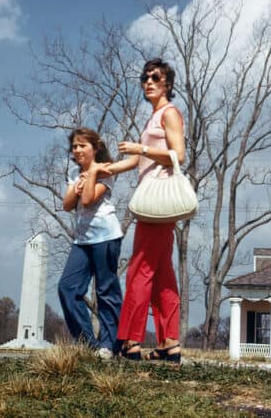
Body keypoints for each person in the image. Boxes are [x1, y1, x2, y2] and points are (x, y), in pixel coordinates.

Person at [103, 58, 186, 362]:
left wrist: (142, 149)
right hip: (153, 203)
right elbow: (137, 162)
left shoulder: (170, 114)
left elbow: (178, 155)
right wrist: (103, 169)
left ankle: (130, 341)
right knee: (162, 274)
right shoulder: (153, 119)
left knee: (139, 270)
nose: (148, 81)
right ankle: (169, 342)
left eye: (155, 77)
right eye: (145, 77)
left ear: (168, 84)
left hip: (158, 202)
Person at [57, 127, 124, 360]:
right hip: (82, 240)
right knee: (67, 287)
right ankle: (89, 344)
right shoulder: (74, 174)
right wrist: (76, 186)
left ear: (95, 148)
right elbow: (67, 204)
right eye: (74, 146)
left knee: (106, 291)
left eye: (82, 145)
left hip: (106, 237)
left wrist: (92, 174)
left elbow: (87, 199)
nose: (77, 150)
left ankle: (110, 345)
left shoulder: (106, 171)